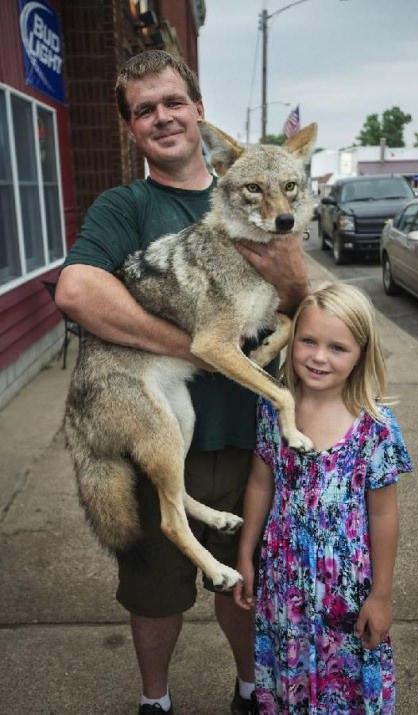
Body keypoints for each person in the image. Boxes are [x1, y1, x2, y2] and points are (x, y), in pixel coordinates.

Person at [55, 49, 310, 715]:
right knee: (154, 590)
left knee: (244, 581)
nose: (162, 117)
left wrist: (290, 286)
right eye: (144, 110)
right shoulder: (125, 205)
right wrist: (197, 349)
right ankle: (155, 699)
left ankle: (252, 690)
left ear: (198, 110)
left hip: (243, 439)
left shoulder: (265, 192)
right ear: (130, 128)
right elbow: (78, 292)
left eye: (173, 102)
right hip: (153, 416)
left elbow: (297, 301)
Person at [234, 282, 413, 714]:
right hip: (283, 582)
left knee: (344, 686)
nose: (318, 357)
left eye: (337, 348)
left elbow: (384, 514)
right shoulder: (274, 407)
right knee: (288, 677)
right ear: (291, 340)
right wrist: (245, 555)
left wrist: (382, 597)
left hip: (347, 591)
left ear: (361, 354)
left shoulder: (375, 426)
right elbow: (261, 483)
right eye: (308, 341)